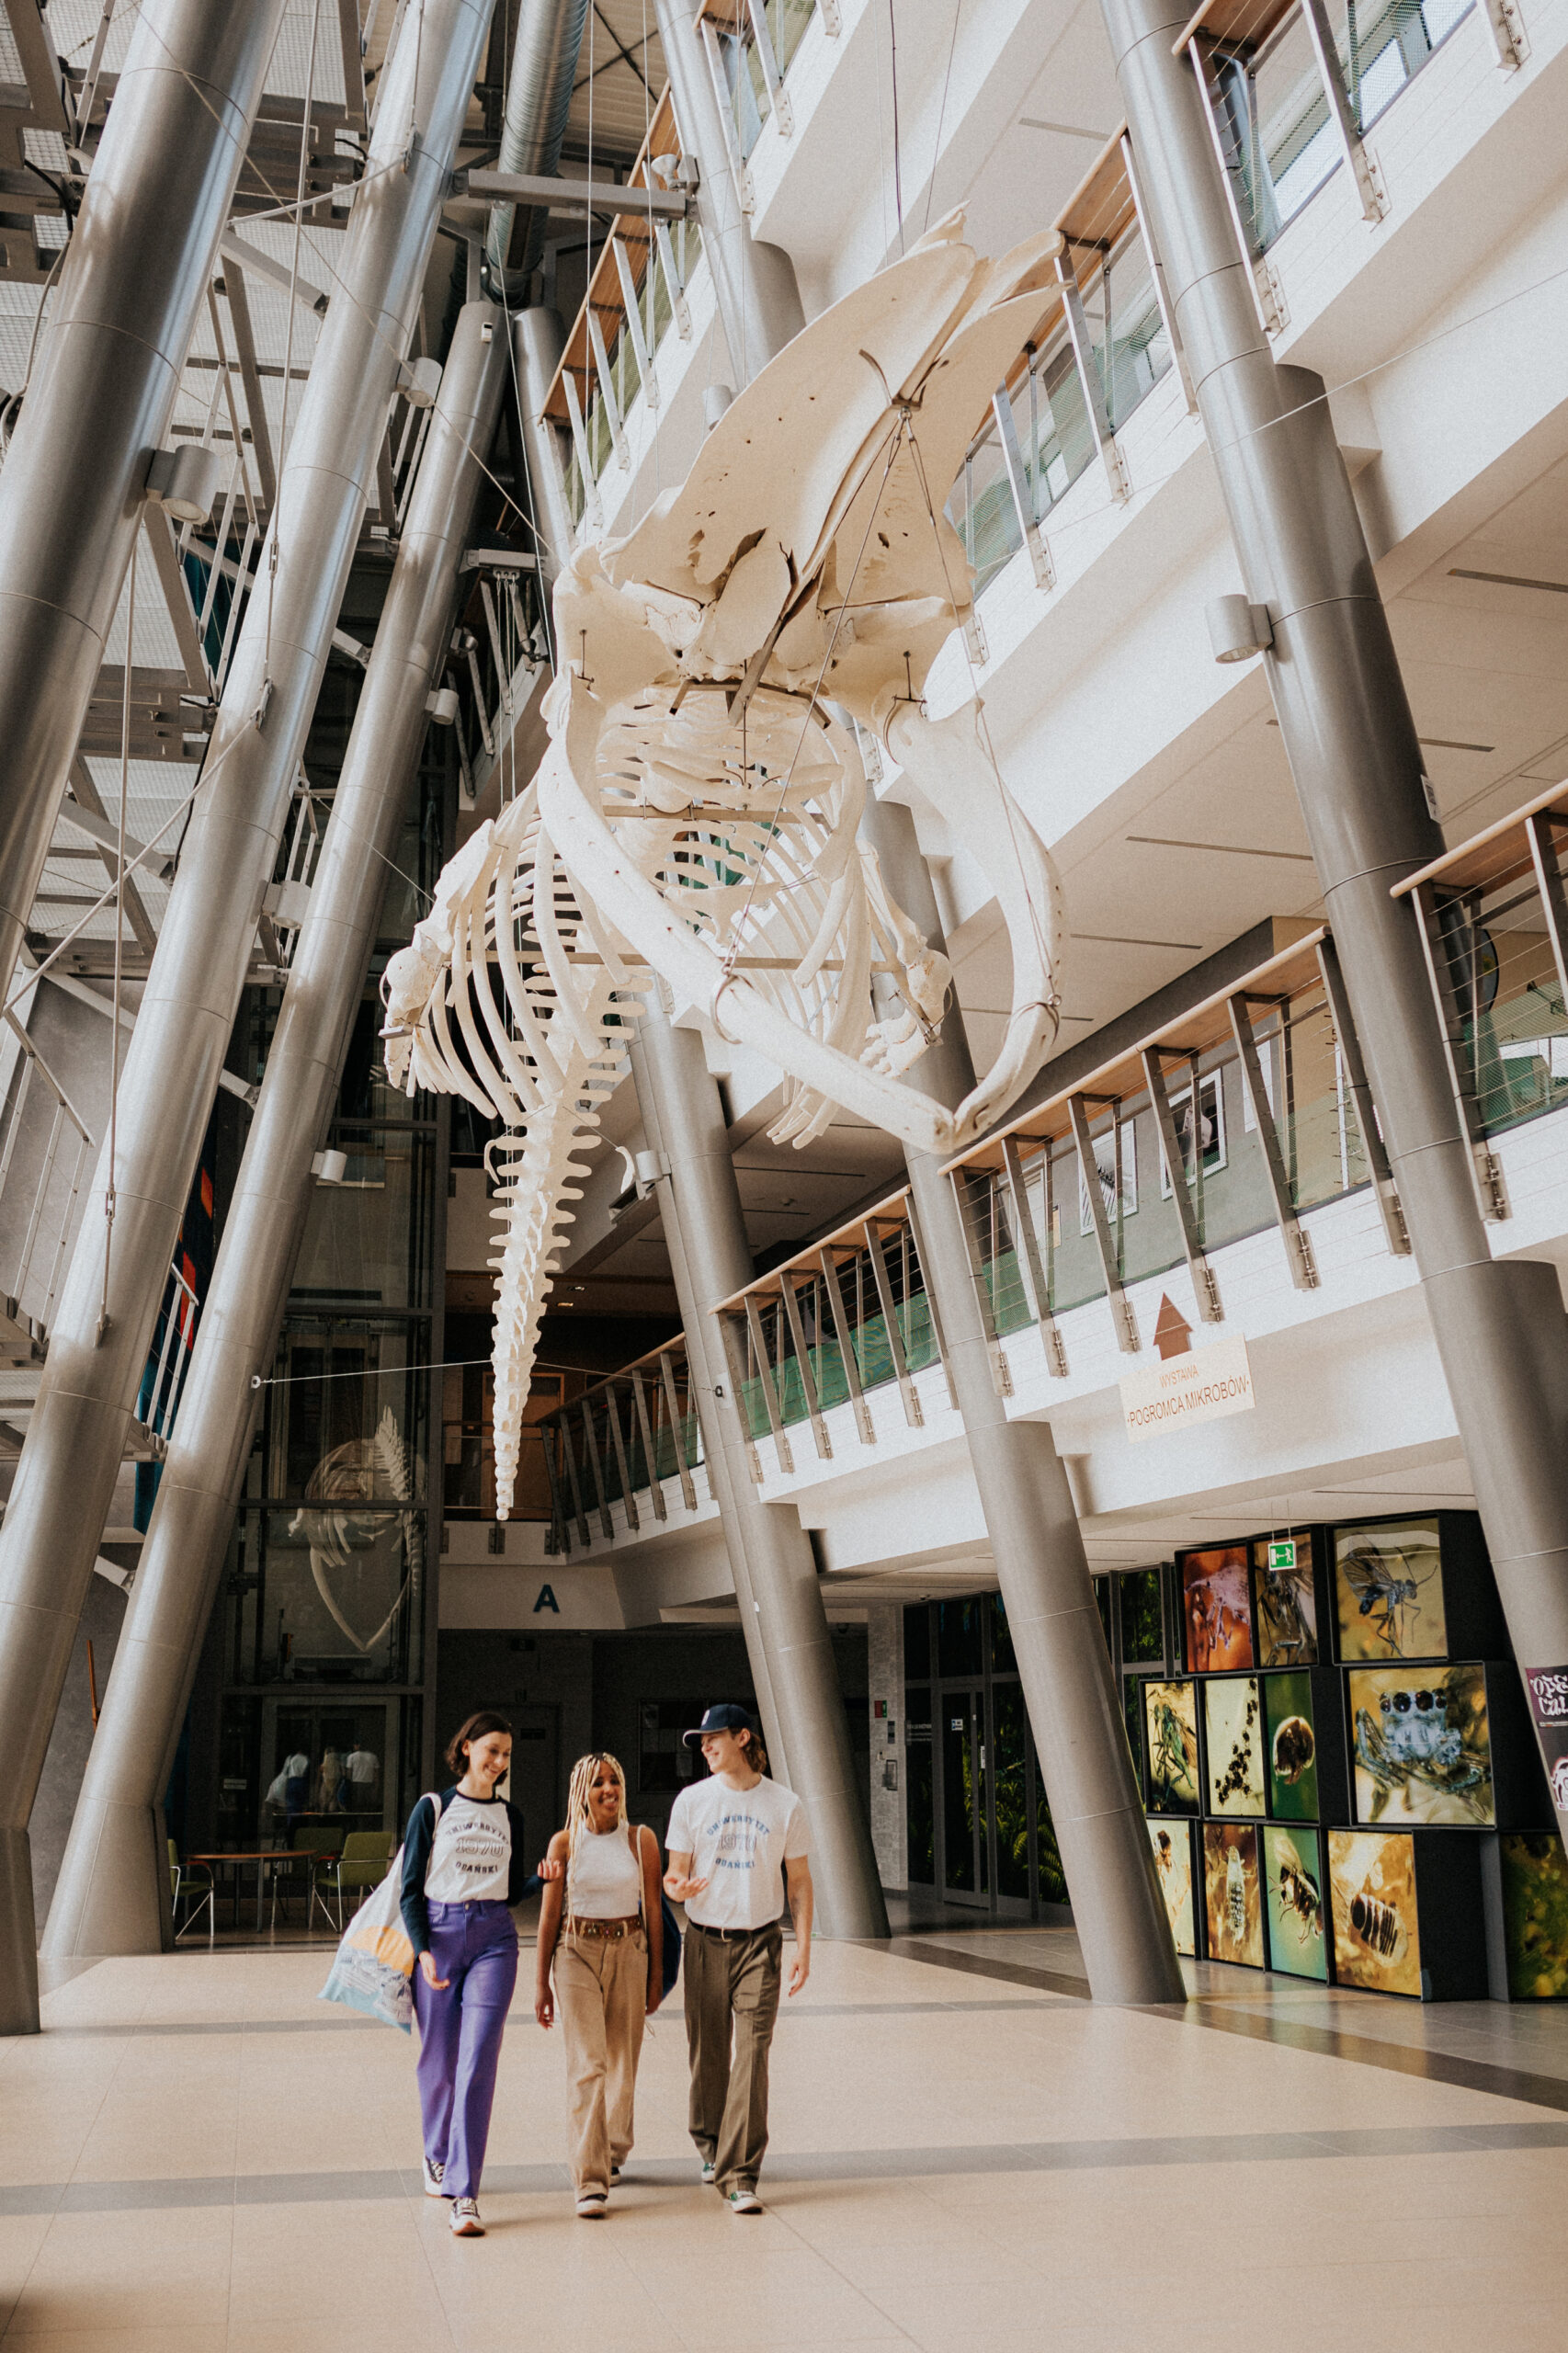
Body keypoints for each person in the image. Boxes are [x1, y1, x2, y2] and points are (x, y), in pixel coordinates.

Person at [664, 1703, 812, 2217]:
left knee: (752, 2053)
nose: (705, 1746)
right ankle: (711, 2143)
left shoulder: (785, 1804)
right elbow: (674, 1874)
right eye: (701, 1741)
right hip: (705, 1941)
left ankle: (740, 2175)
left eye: (713, 1737)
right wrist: (678, 1888)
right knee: (708, 2054)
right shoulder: (692, 1801)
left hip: (760, 1944)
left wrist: (804, 1947)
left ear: (743, 1737)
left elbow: (799, 1881)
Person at [401, 1710, 544, 2237]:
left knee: (478, 2061)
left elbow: (509, 1891)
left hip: (494, 1940)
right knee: (439, 2061)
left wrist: (541, 1879)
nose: (499, 1762)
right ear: (466, 1748)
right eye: (491, 1751)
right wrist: (422, 1950)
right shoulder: (433, 1809)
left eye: (506, 1754)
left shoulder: (511, 1816)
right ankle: (436, 2153)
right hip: (439, 1934)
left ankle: (465, 2193)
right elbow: (409, 1889)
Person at [535, 1754, 665, 2219]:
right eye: (597, 1783)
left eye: (614, 1781)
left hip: (630, 1949)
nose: (608, 1790)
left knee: (623, 2064)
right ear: (581, 1793)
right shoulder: (565, 1842)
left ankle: (612, 2148)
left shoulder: (641, 1840)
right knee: (589, 2064)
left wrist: (656, 1977)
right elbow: (549, 1915)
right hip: (575, 1952)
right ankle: (590, 2180)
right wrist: (541, 1983)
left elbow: (654, 1910)